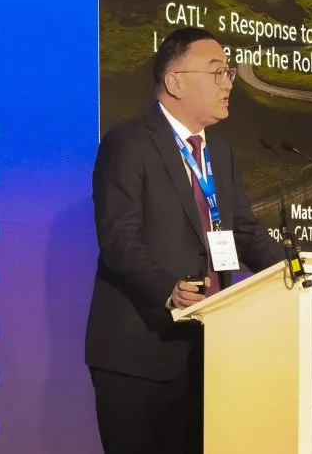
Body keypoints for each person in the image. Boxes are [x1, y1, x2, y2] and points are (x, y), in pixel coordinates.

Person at [85, 26, 285, 454]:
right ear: (175, 82)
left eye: (228, 72)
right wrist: (168, 289)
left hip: (207, 351)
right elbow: (118, 239)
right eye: (217, 72)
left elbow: (244, 231)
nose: (228, 83)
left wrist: (295, 272)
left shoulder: (220, 154)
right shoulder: (128, 143)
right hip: (139, 355)